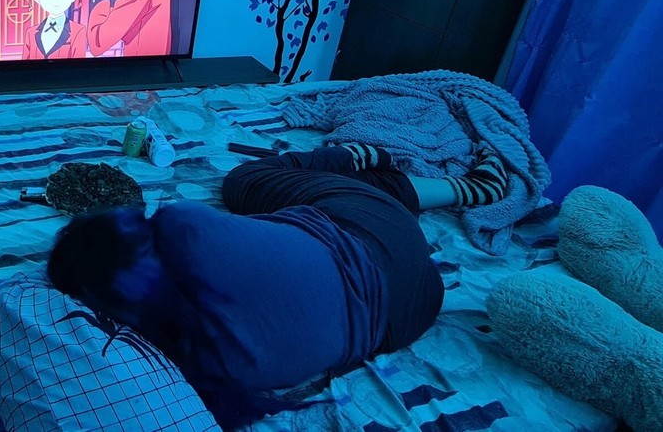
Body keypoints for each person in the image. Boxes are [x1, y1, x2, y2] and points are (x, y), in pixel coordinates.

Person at [47, 143, 511, 430]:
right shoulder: (183, 225)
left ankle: (370, 171)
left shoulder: (187, 368)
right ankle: (376, 164)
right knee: (247, 181)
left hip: (413, 313)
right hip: (381, 234)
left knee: (320, 200)